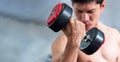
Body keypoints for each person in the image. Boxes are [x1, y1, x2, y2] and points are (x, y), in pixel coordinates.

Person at [51, 0, 120, 62]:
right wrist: (73, 43)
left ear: (102, 6)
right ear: (72, 5)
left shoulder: (114, 35)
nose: (85, 19)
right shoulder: (63, 41)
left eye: (90, 11)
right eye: (79, 11)